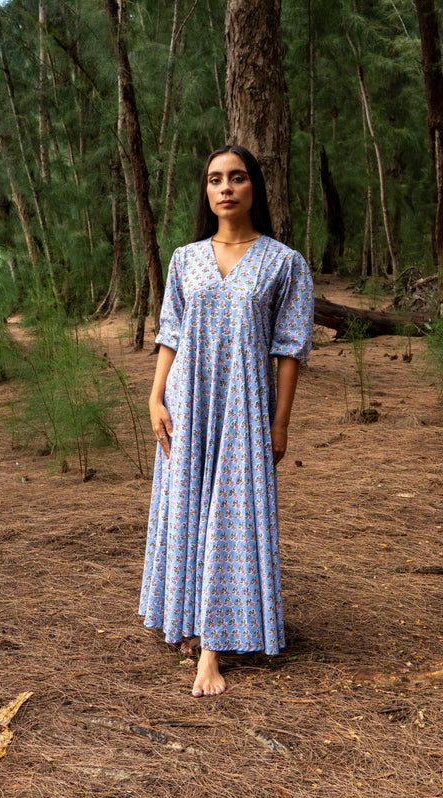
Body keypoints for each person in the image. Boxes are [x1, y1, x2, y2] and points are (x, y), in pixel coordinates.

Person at [139, 145, 313, 697]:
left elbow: (290, 352)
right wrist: (154, 397)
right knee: (187, 508)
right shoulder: (184, 259)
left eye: (237, 178)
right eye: (215, 179)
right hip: (187, 405)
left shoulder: (285, 263)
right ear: (206, 191)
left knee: (231, 519)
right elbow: (171, 333)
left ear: (254, 187)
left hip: (243, 409)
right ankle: (189, 621)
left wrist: (280, 425)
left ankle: (211, 650)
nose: (226, 188)